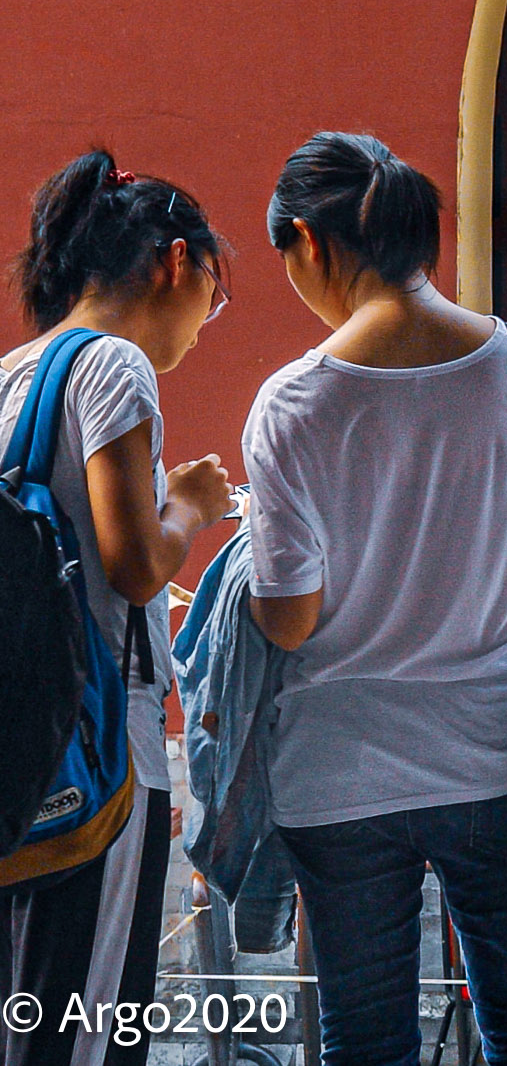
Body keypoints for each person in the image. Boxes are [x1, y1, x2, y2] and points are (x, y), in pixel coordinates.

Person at [242, 132, 507, 1066]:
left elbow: (290, 617)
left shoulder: (292, 404)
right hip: (501, 756)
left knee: (365, 1043)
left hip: (340, 773)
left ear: (312, 245)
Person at [1, 150, 234, 1066]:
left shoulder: (15, 374)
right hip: (102, 748)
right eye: (213, 290)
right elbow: (136, 564)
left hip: (24, 748)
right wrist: (193, 503)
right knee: (90, 1023)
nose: (207, 321)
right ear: (175, 262)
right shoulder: (117, 369)